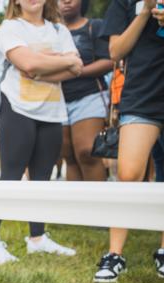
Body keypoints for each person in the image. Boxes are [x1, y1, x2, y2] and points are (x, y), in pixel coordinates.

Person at [0, 0, 82, 264]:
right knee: (10, 176)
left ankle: (37, 238)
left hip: (51, 112)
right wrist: (61, 60)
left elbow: (76, 68)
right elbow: (28, 63)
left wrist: (44, 67)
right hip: (16, 109)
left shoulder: (59, 30)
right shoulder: (10, 28)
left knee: (41, 178)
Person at [95, 0, 164, 282]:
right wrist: (145, 12)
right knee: (128, 175)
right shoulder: (124, 2)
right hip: (142, 96)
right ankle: (114, 254)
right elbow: (115, 51)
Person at [59, 0, 112, 182]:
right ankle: (74, 201)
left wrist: (76, 71)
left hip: (89, 96)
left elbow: (109, 60)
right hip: (57, 100)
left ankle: (98, 199)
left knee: (87, 153)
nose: (66, 1)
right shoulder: (50, 31)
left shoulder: (94, 26)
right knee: (69, 156)